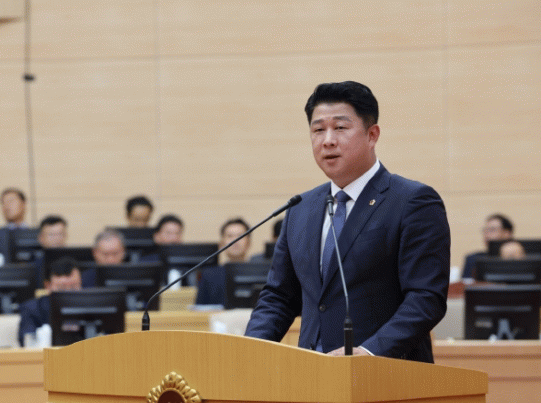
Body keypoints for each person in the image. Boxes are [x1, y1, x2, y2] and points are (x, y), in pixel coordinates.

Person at [245, 81, 450, 363]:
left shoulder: (412, 201)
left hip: (385, 372)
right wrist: (249, 351)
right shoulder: (301, 208)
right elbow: (279, 297)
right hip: (311, 373)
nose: (328, 140)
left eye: (340, 127)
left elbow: (426, 298)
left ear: (372, 135)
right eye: (318, 130)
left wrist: (369, 351)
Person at [18, 257, 82, 346]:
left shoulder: (91, 307)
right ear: (48, 286)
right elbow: (27, 340)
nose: (68, 293)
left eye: (73, 287)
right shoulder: (32, 309)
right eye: (62, 288)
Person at [195, 218, 251, 306]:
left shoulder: (262, 274)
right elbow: (199, 309)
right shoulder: (208, 275)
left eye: (240, 236)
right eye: (230, 236)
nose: (235, 240)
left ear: (249, 243)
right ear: (222, 243)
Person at [462, 214, 514, 279]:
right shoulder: (473, 259)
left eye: (492, 230)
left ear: (507, 233)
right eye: (485, 230)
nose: (487, 234)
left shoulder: (519, 257)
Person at [0, 188, 29, 262]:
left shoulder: (38, 235)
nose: (6, 206)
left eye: (11, 201)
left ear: (23, 204)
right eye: (3, 203)